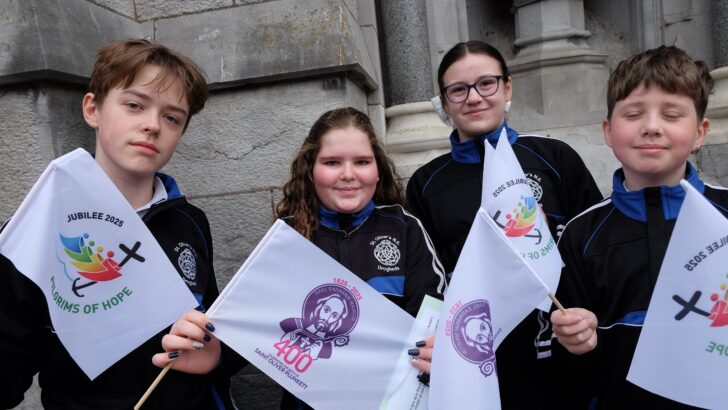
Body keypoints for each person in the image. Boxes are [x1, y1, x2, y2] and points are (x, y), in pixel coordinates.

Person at [155, 107, 447, 410]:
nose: (348, 174)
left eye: (362, 161)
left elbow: (432, 322)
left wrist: (440, 351)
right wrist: (213, 355)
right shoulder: (288, 238)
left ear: (378, 168)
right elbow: (251, 329)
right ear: (311, 169)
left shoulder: (405, 228)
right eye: (332, 162)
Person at [0, 38, 236, 409]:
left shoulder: (189, 222)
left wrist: (217, 356)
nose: (152, 125)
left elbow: (216, 329)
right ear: (93, 109)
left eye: (172, 117)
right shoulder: (34, 229)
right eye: (134, 105)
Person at [405, 41, 603, 408]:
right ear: (445, 102)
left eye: (487, 83)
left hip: (561, 356)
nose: (474, 97)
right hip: (477, 359)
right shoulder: (426, 183)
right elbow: (428, 280)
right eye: (458, 89)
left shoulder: (555, 158)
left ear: (507, 87)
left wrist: (590, 321)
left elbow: (594, 251)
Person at [550, 45, 728, 408]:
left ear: (699, 132)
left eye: (672, 114)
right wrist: (577, 342)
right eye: (633, 114)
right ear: (608, 131)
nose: (651, 126)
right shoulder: (582, 235)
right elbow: (565, 368)